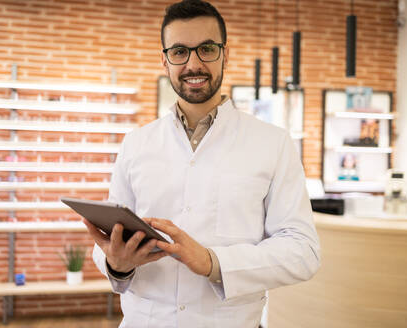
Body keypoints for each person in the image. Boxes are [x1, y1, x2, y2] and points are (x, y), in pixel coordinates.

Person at [83, 1, 320, 327]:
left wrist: (212, 261)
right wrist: (117, 263)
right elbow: (111, 239)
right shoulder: (136, 143)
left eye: (206, 48)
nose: (193, 63)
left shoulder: (273, 143)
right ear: (164, 60)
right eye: (179, 51)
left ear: (225, 53)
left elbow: (302, 252)